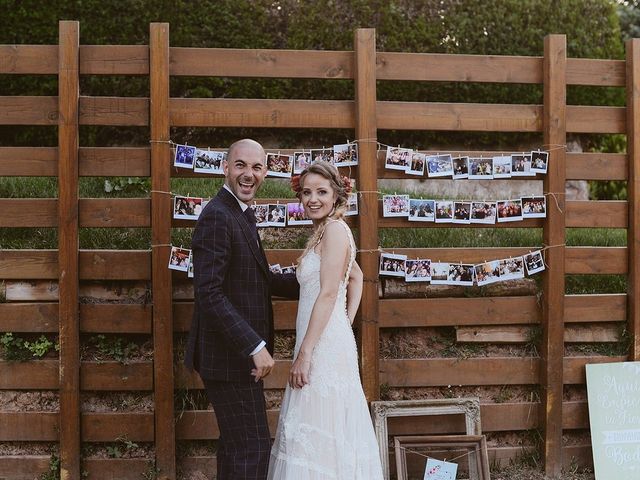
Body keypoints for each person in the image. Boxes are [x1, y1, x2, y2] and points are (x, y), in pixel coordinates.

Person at [185, 138, 299, 480]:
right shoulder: (218, 216)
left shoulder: (239, 213)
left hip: (237, 359)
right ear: (225, 167)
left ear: (265, 171)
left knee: (239, 448)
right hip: (230, 358)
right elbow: (209, 293)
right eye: (241, 165)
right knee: (252, 449)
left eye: (257, 167)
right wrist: (255, 345)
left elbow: (257, 279)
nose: (249, 174)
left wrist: (313, 280)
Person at [267, 161, 383, 479]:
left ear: (336, 195)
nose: (312, 199)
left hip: (321, 348)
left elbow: (330, 292)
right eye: (306, 192)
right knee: (315, 428)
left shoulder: (334, 230)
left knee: (319, 426)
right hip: (325, 337)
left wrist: (306, 353)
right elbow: (356, 277)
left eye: (321, 191)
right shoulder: (322, 232)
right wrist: (344, 322)